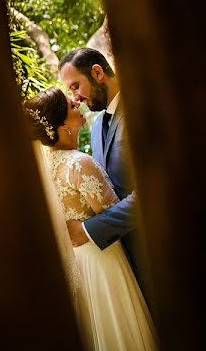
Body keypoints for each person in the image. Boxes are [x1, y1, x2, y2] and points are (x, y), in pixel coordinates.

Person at [24, 87, 157, 351]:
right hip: (103, 259)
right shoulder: (78, 163)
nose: (77, 102)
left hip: (80, 264)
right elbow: (114, 211)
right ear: (62, 125)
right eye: (71, 106)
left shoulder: (46, 166)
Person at [57, 47, 150, 304]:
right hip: (130, 263)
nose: (75, 98)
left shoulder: (142, 106)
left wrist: (87, 230)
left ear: (97, 73)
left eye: (76, 86)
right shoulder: (97, 126)